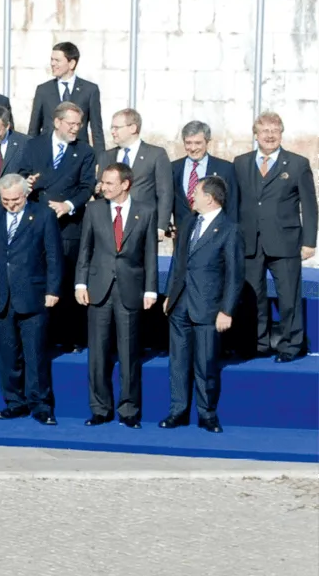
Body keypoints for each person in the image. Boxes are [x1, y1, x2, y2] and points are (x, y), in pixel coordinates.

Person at [76, 163, 161, 427]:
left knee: (128, 353)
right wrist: (80, 284)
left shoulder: (145, 211)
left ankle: (129, 410)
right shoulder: (94, 210)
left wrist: (150, 288)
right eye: (103, 182)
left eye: (110, 183)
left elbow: (150, 254)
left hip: (130, 289)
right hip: (99, 289)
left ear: (125, 184)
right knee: (98, 354)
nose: (103, 187)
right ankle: (100, 408)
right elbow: (85, 250)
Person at [0, 174, 62, 426]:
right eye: (5, 200)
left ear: (25, 195)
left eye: (15, 200)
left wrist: (53, 290)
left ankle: (40, 405)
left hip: (33, 295)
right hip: (2, 296)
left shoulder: (43, 215)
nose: (11, 205)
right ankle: (14, 402)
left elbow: (54, 256)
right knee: (7, 355)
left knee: (35, 354)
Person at [161, 177, 242, 432]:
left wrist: (226, 310)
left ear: (209, 197)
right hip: (180, 304)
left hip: (208, 307)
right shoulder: (188, 222)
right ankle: (178, 411)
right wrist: (169, 295)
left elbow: (234, 274)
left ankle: (207, 414)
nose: (191, 196)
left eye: (196, 192)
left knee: (205, 364)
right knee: (178, 362)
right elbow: (178, 261)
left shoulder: (229, 229)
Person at [234, 112, 316, 361]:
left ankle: (291, 345)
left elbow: (310, 206)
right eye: (265, 130)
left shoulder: (297, 164)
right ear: (255, 134)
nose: (270, 135)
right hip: (249, 241)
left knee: (288, 296)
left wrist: (310, 241)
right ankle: (257, 343)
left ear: (281, 134)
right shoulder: (240, 163)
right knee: (252, 296)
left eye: (275, 130)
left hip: (285, 241)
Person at [17, 101, 97, 351]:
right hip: (38, 223)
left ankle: (70, 338)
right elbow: (20, 175)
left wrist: (68, 205)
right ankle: (41, 337)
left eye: (78, 124)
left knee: (66, 278)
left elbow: (86, 187)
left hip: (69, 227)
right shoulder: (34, 145)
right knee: (39, 278)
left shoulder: (85, 151)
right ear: (57, 122)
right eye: (71, 124)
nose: (75, 129)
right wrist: (26, 183)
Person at [101, 109, 173, 242]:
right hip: (112, 223)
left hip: (143, 224)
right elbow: (101, 189)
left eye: (117, 127)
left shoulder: (155, 154)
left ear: (133, 128)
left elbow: (165, 192)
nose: (112, 132)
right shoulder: (107, 156)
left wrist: (161, 226)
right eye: (112, 127)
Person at [27, 40, 104, 152]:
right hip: (48, 152)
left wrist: (100, 161)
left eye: (57, 60)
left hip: (78, 153)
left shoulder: (90, 90)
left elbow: (96, 130)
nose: (53, 64)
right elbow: (34, 128)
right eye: (52, 60)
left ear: (71, 63)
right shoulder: (43, 90)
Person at [171, 121, 236, 242]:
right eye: (188, 143)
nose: (193, 148)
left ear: (207, 142)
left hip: (215, 237)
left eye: (198, 143)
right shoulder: (173, 168)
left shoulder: (225, 169)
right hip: (182, 237)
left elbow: (232, 206)